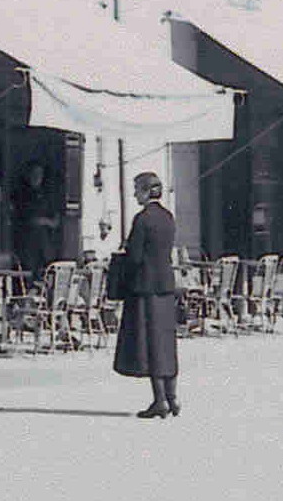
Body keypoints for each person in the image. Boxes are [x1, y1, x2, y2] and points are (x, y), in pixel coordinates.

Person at [112, 171, 180, 419]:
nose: (133, 194)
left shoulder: (142, 220)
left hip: (145, 287)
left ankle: (159, 400)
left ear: (144, 191)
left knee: (150, 344)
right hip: (166, 286)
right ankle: (172, 398)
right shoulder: (168, 217)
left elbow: (135, 257)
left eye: (136, 189)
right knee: (166, 343)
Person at [11, 160, 61, 278]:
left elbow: (56, 219)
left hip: (45, 245)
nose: (37, 177)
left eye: (40, 174)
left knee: (46, 272)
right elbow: (26, 219)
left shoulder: (46, 195)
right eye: (34, 174)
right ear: (28, 175)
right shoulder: (22, 194)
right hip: (27, 244)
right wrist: (42, 221)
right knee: (28, 273)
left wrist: (47, 221)